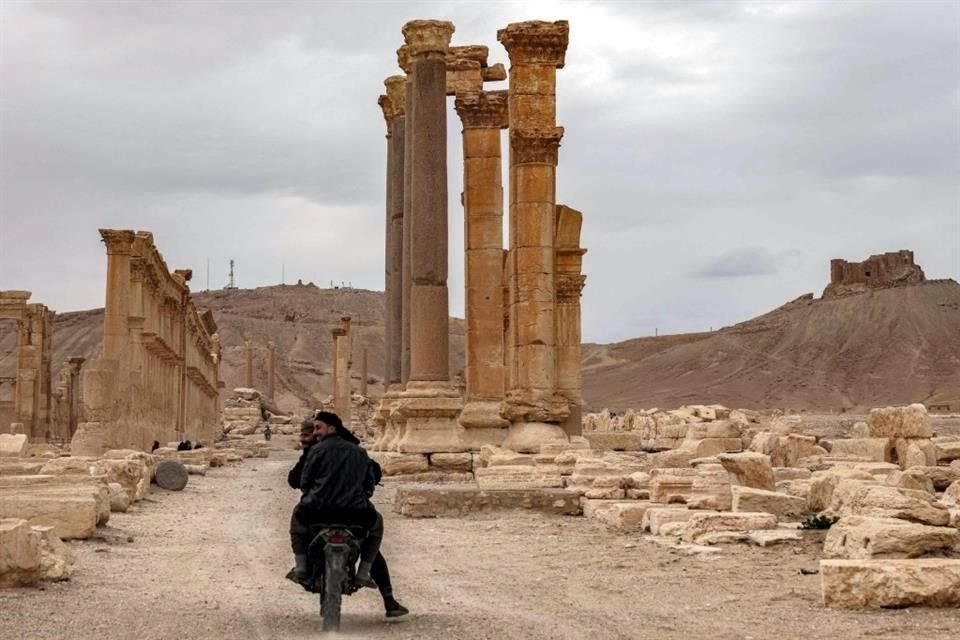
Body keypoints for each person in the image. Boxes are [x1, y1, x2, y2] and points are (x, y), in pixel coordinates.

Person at [288, 411, 408, 618]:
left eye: (318, 428)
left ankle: (300, 567)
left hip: (317, 512)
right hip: (355, 513)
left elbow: (304, 482)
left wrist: (313, 494)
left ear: (331, 429)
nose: (315, 433)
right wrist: (360, 496)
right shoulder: (358, 452)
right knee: (375, 528)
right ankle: (371, 580)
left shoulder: (316, 451)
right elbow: (370, 482)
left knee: (297, 520)